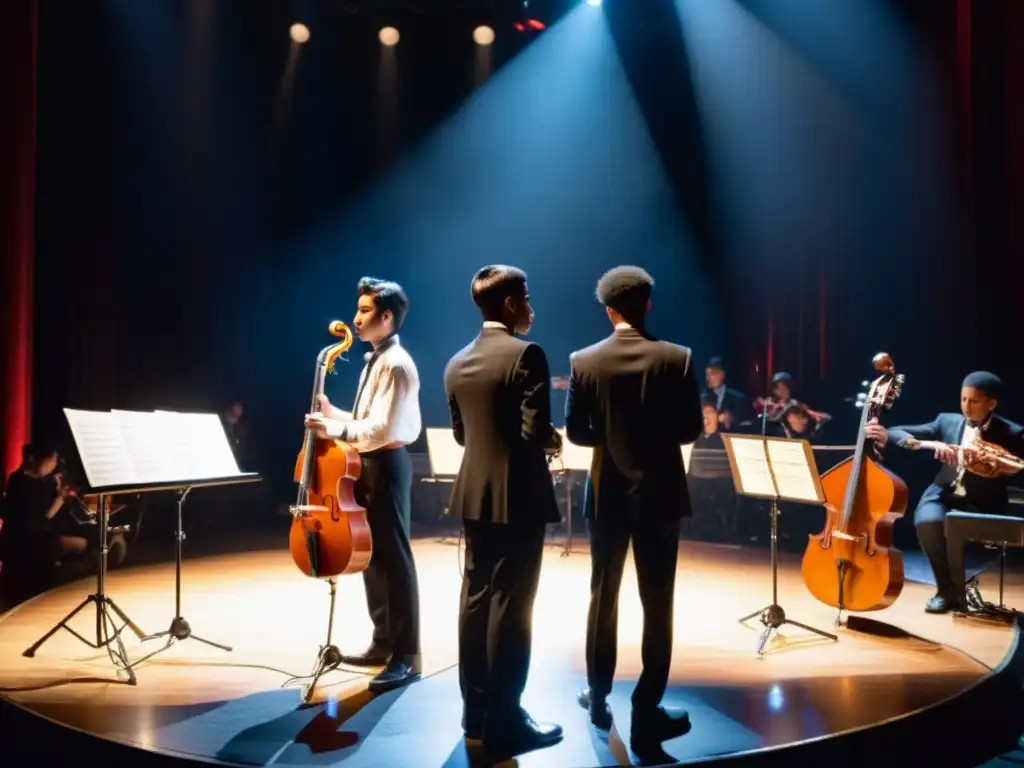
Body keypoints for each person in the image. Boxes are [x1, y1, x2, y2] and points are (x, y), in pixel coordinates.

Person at [564, 265, 702, 756]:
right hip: (660, 495)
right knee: (656, 602)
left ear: (609, 310)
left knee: (603, 597)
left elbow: (577, 433)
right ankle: (647, 709)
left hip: (606, 496)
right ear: (648, 304)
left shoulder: (584, 360)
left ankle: (598, 697)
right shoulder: (678, 358)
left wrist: (614, 433)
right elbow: (690, 430)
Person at [443, 265, 563, 758]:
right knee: (513, 609)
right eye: (527, 297)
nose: (532, 305)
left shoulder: (456, 362)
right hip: (519, 496)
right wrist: (554, 439)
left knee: (475, 600)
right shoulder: (527, 354)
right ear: (511, 304)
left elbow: (461, 436)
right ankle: (507, 719)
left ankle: (475, 714)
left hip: (474, 493)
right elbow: (536, 434)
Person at [304, 277, 423, 693]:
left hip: (387, 462)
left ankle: (406, 656)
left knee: (394, 558)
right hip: (367, 461)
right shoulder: (375, 359)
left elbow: (382, 427)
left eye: (365, 311)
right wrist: (333, 412)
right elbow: (364, 418)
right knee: (371, 556)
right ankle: (383, 642)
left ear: (386, 316)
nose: (356, 318)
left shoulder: (396, 363)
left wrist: (334, 427)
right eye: (357, 309)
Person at [866, 371, 1024, 613]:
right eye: (963, 400)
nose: (966, 407)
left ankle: (960, 590)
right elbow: (898, 431)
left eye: (974, 401)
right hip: (943, 494)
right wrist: (931, 444)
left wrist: (1002, 465)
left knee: (961, 532)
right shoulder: (947, 421)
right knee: (928, 521)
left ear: (992, 403)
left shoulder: (1012, 433)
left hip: (983, 503)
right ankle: (944, 590)